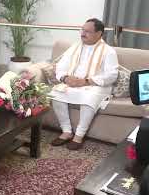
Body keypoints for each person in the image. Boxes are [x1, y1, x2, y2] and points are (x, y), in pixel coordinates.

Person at [50, 18, 119, 150]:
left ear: (99, 34)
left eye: (87, 31)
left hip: (95, 85)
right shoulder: (75, 47)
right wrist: (65, 78)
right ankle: (66, 131)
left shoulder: (108, 51)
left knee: (88, 99)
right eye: (82, 30)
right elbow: (61, 66)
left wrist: (86, 81)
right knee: (56, 94)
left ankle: (79, 136)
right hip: (73, 83)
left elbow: (111, 75)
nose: (82, 34)